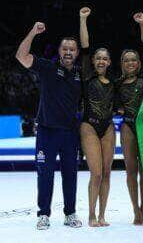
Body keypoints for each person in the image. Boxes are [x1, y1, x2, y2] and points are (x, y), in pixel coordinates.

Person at [15, 22, 82, 230]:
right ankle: (43, 214)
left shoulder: (82, 74)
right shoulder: (47, 67)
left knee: (70, 174)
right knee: (45, 174)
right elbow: (21, 56)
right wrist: (33, 32)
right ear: (59, 51)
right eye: (65, 49)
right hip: (47, 131)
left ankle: (70, 213)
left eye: (72, 49)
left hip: (71, 133)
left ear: (77, 52)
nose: (68, 52)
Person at [114, 12, 143, 225]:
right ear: (122, 63)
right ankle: (135, 209)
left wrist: (142, 23)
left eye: (133, 60)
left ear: (138, 63)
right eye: (126, 60)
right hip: (128, 125)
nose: (130, 63)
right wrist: (117, 109)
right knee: (131, 170)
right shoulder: (118, 83)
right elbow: (113, 103)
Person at [79, 7, 115, 227]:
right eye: (98, 58)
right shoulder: (87, 75)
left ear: (110, 62)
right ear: (93, 61)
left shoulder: (115, 84)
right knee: (97, 173)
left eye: (105, 59)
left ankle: (102, 215)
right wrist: (83, 19)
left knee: (108, 173)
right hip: (89, 126)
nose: (101, 61)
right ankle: (91, 215)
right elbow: (84, 46)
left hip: (108, 127)